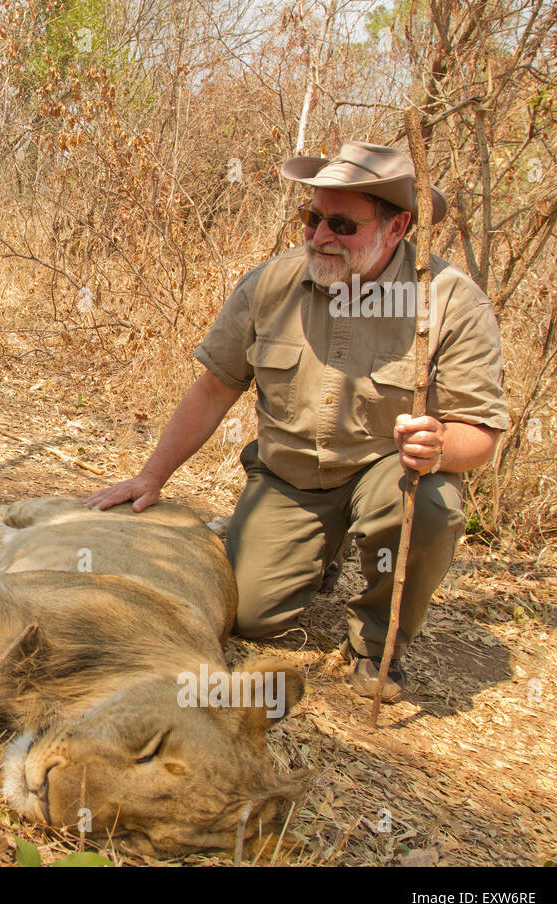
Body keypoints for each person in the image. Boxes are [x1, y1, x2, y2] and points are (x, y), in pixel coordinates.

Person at [85, 141, 509, 702]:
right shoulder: (270, 283)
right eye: (311, 218)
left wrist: (439, 448)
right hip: (288, 479)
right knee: (250, 616)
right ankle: (318, 551)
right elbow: (215, 388)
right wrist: (151, 476)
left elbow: (482, 434)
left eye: (341, 224)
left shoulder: (451, 301)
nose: (319, 237)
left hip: (382, 473)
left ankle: (378, 645)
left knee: (430, 505)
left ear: (398, 226)